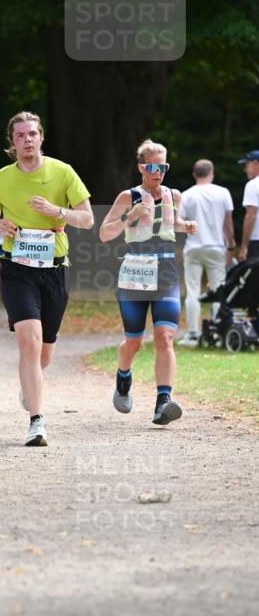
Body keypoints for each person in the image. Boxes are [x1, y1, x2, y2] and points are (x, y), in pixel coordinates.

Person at [0, 111, 93, 447]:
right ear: (12, 142)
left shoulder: (63, 172)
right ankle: (37, 422)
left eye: (32, 134)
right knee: (29, 342)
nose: (27, 140)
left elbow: (87, 219)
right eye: (20, 135)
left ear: (41, 137)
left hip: (54, 267)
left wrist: (56, 211)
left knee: (44, 354)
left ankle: (30, 386)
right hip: (16, 268)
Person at [100, 139, 197, 426]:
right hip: (135, 272)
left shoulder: (174, 195)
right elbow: (105, 234)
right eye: (153, 166)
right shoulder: (127, 197)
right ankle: (123, 378)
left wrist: (185, 226)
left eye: (163, 166)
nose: (159, 172)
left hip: (166, 270)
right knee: (134, 342)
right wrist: (130, 217)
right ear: (142, 167)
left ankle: (163, 402)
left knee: (164, 337)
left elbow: (172, 223)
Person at [177, 159, 234, 345]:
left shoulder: (187, 195)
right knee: (219, 290)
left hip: (194, 247)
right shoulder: (223, 193)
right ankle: (218, 332)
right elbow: (228, 224)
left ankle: (192, 334)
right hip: (217, 247)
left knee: (192, 290)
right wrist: (231, 245)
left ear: (195, 174)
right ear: (212, 173)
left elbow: (180, 224)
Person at [238, 150, 259, 262]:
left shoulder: (253, 185)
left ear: (256, 163)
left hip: (257, 240)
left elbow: (251, 217)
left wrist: (244, 247)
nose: (245, 169)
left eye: (246, 165)